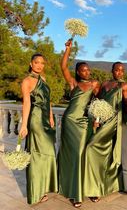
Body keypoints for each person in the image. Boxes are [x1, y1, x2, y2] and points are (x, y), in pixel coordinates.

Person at [58, 40, 100, 208]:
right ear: (78, 72)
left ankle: (91, 188)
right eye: (83, 69)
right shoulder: (73, 83)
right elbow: (63, 67)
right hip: (70, 121)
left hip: (85, 122)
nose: (87, 72)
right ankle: (76, 193)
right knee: (75, 155)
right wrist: (68, 49)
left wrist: (97, 120)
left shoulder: (95, 84)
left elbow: (98, 103)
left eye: (88, 69)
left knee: (87, 154)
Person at [84, 62, 127, 202]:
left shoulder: (124, 86)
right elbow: (97, 101)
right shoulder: (104, 84)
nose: (119, 73)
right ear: (112, 71)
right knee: (103, 153)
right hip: (101, 121)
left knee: (91, 148)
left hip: (113, 122)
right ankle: (97, 187)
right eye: (117, 70)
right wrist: (95, 116)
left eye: (122, 70)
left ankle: (96, 187)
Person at [19, 53, 57, 204]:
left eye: (42, 63)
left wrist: (51, 116)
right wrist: (23, 125)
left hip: (46, 119)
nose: (40, 65)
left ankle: (44, 186)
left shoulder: (44, 79)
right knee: (36, 155)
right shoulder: (27, 81)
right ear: (31, 63)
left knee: (47, 153)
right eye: (37, 62)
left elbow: (48, 101)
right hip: (35, 120)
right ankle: (36, 193)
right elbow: (26, 103)